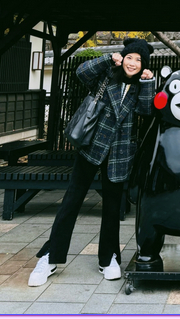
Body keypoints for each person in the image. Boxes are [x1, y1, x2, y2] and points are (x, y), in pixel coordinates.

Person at [28, 38, 155, 287]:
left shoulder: (141, 86)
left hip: (119, 154)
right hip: (91, 147)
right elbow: (80, 72)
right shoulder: (107, 74)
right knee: (71, 202)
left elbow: (146, 110)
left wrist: (149, 83)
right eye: (130, 57)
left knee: (111, 208)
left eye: (139, 60)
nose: (133, 63)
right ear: (123, 57)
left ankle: (108, 259)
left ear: (144, 65)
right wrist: (108, 58)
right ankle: (49, 257)